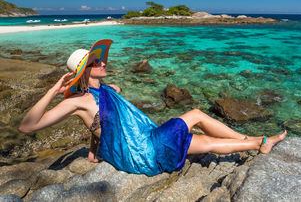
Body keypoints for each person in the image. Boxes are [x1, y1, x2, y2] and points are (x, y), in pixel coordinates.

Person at [19, 39, 287, 176]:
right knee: (194, 115)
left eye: (100, 59)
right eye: (96, 62)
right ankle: (256, 140)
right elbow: (27, 126)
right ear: (85, 72)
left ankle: (257, 142)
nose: (103, 63)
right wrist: (54, 90)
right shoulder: (76, 101)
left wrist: (93, 152)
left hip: (143, 142)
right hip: (141, 152)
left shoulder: (109, 91)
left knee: (203, 141)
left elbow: (102, 125)